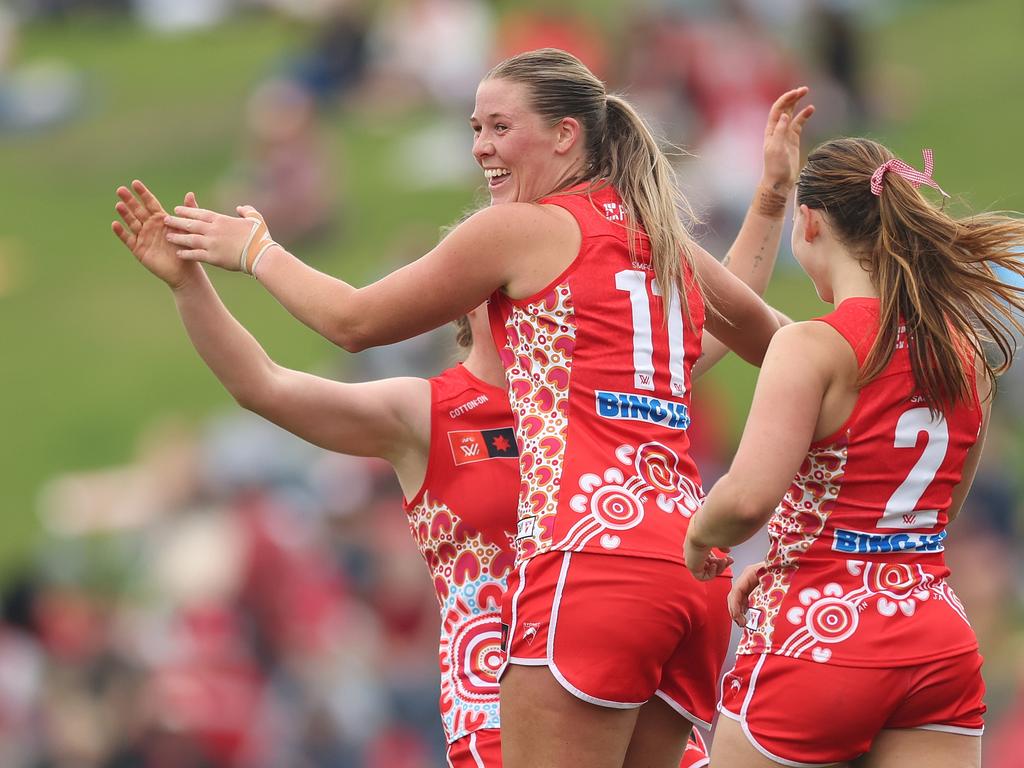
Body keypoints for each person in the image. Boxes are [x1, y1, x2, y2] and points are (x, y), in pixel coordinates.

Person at [156, 49, 811, 767]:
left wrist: (257, 250)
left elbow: (353, 322)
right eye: (474, 127)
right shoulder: (650, 255)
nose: (480, 147)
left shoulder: (520, 233)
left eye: (500, 126)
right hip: (688, 568)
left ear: (566, 136)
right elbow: (775, 346)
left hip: (587, 570)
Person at [684, 139, 1024, 767]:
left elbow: (747, 500)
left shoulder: (814, 345)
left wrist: (699, 539)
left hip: (821, 639)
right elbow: (932, 516)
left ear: (809, 222)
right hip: (935, 642)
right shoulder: (964, 353)